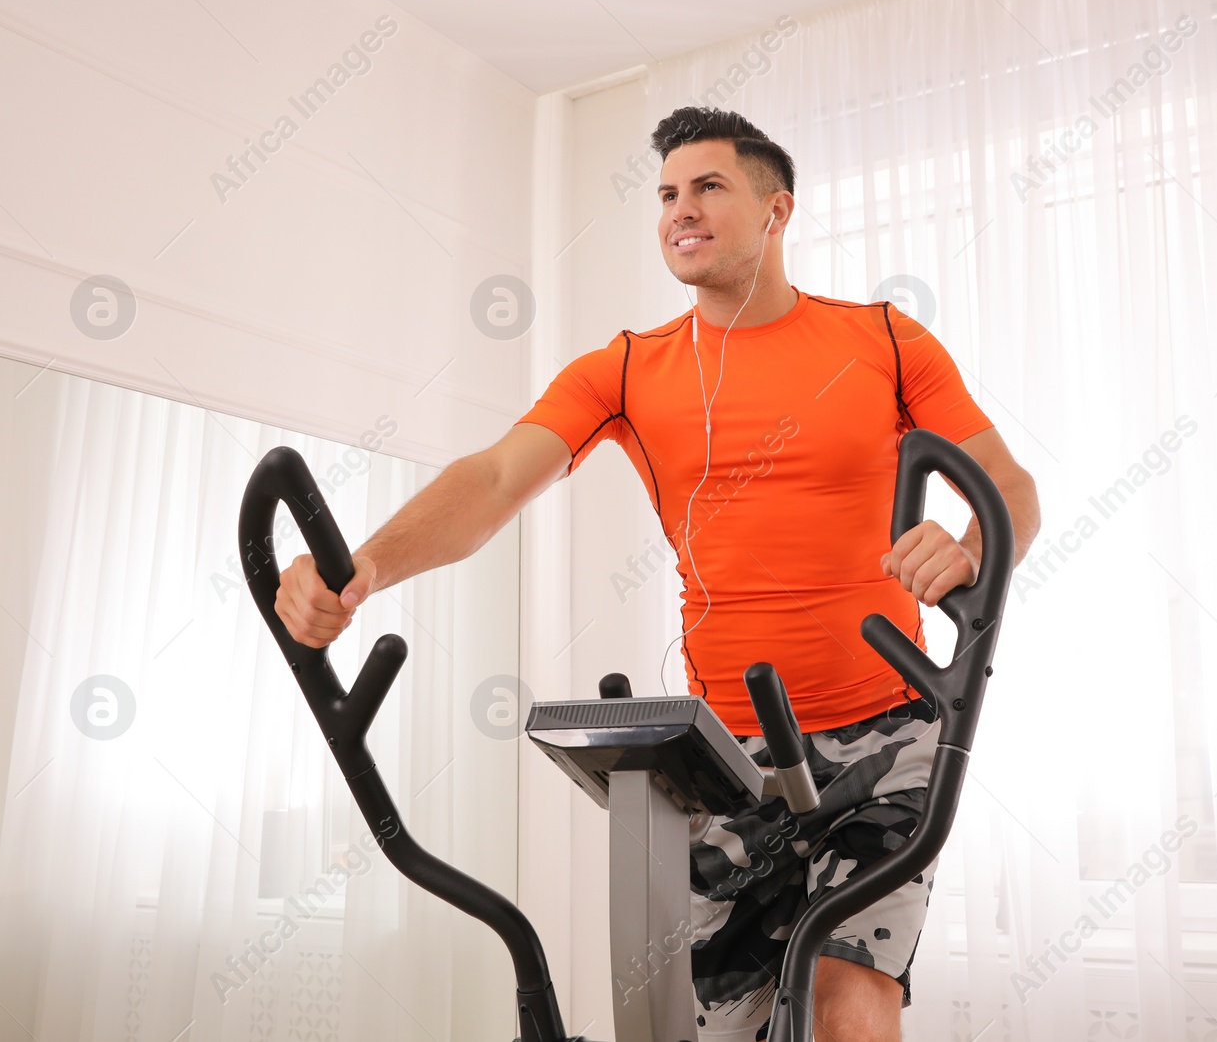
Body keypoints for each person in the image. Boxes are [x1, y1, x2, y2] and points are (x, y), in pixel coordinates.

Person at [276, 106, 1041, 1042]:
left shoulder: (883, 342)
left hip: (887, 732)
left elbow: (1008, 481)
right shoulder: (629, 370)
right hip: (731, 760)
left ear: (776, 210)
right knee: (720, 1027)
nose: (682, 208)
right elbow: (492, 479)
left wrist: (967, 545)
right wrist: (361, 567)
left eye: (710, 186)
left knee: (847, 999)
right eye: (669, 194)